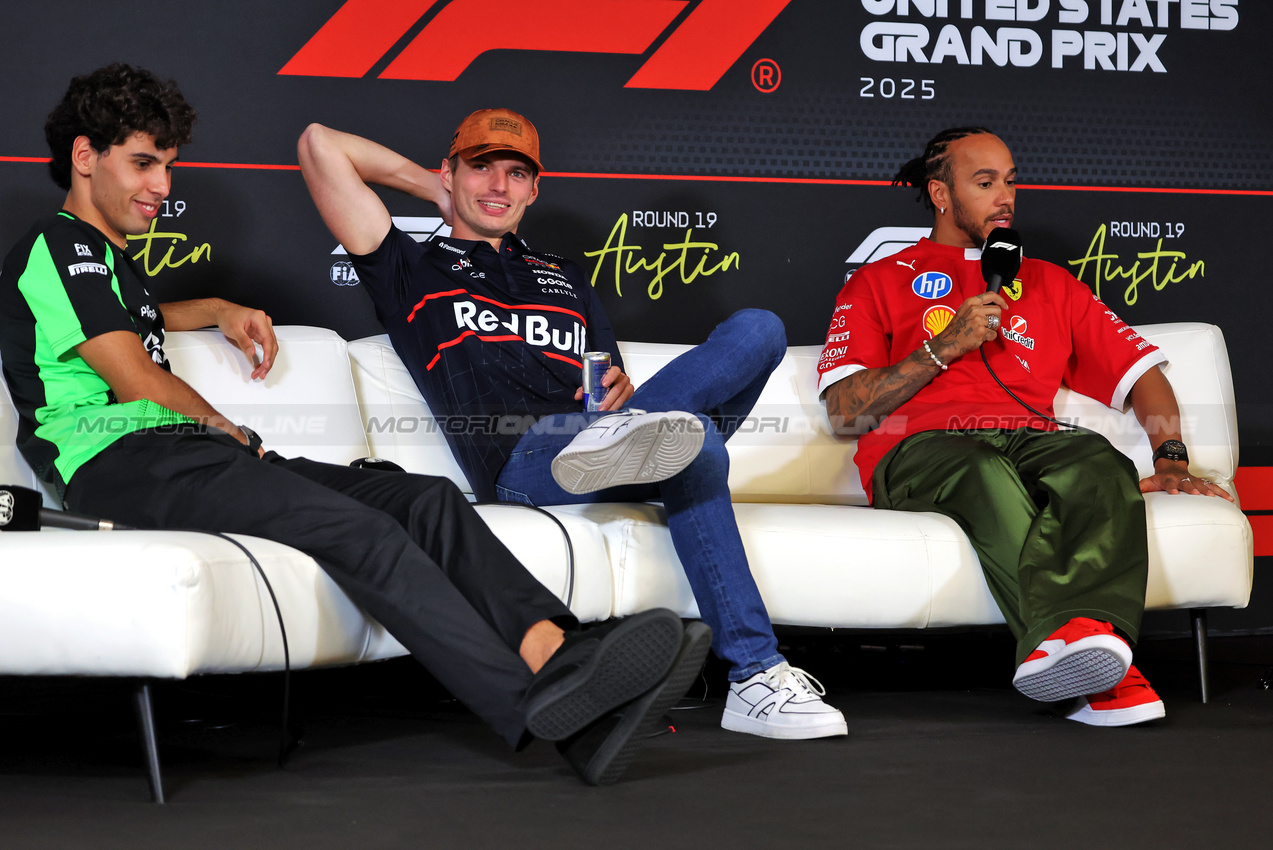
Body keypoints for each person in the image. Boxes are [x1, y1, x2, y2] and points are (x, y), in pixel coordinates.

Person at [0, 63, 712, 787]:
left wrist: (214, 308)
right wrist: (221, 424)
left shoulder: (108, 263)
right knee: (360, 529)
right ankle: (539, 710)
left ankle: (556, 653)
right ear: (85, 157)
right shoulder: (55, 247)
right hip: (118, 463)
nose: (162, 187)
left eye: (168, 166)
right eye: (144, 164)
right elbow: (132, 375)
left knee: (423, 500)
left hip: (187, 459)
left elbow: (134, 320)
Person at [297, 109, 847, 740]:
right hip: (522, 466)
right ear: (448, 173)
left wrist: (622, 394)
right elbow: (320, 145)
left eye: (515, 174)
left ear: (536, 189)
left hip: (601, 440)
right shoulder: (408, 268)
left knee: (758, 331)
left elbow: (604, 381)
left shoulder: (565, 279)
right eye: (481, 169)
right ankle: (756, 669)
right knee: (695, 449)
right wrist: (440, 192)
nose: (499, 186)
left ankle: (751, 683)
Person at [817, 126, 1234, 726]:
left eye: (1010, 181)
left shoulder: (1049, 282)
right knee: (982, 471)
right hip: (920, 450)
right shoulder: (877, 282)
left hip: (1031, 440)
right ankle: (1103, 673)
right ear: (941, 194)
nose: (1005, 197)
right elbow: (844, 411)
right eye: (984, 183)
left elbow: (1143, 374)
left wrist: (1170, 453)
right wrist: (945, 346)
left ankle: (1073, 656)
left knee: (1099, 463)